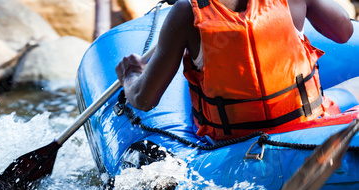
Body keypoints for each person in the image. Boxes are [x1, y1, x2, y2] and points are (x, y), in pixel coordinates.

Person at [116, 0, 357, 141]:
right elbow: (343, 31)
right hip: (309, 127)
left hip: (230, 144)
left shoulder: (185, 14)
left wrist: (131, 74)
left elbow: (144, 99)